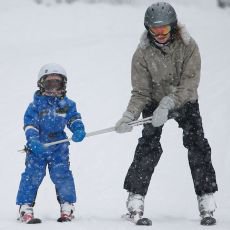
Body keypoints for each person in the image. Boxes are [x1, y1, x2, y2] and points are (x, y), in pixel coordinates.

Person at [115, 2, 218, 226]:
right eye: (155, 30)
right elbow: (140, 91)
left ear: (173, 27)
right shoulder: (142, 53)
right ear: (148, 29)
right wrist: (130, 115)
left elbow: (190, 83)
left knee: (197, 144)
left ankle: (206, 198)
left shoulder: (188, 46)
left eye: (164, 29)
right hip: (154, 102)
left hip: (184, 100)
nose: (160, 34)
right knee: (148, 145)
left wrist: (170, 102)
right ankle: (135, 197)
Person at [16, 63, 86, 223]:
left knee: (62, 175)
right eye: (49, 83)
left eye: (57, 83)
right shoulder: (35, 106)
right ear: (41, 84)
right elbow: (30, 124)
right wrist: (33, 140)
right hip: (38, 146)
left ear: (63, 85)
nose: (53, 88)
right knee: (32, 175)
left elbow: (74, 118)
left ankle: (67, 206)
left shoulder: (67, 104)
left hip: (59, 145)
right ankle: (25, 207)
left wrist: (78, 128)